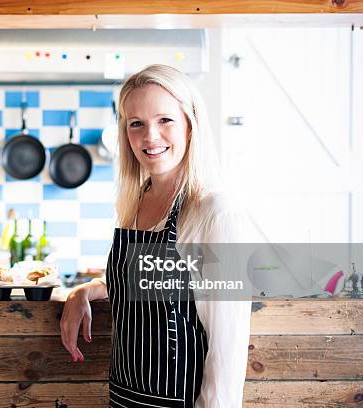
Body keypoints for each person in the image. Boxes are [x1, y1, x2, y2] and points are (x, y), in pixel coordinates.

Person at [60, 64, 252, 407]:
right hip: (123, 397)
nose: (150, 137)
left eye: (165, 120)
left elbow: (228, 348)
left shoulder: (216, 210)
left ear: (190, 126)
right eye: (137, 124)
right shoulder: (136, 203)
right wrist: (85, 291)